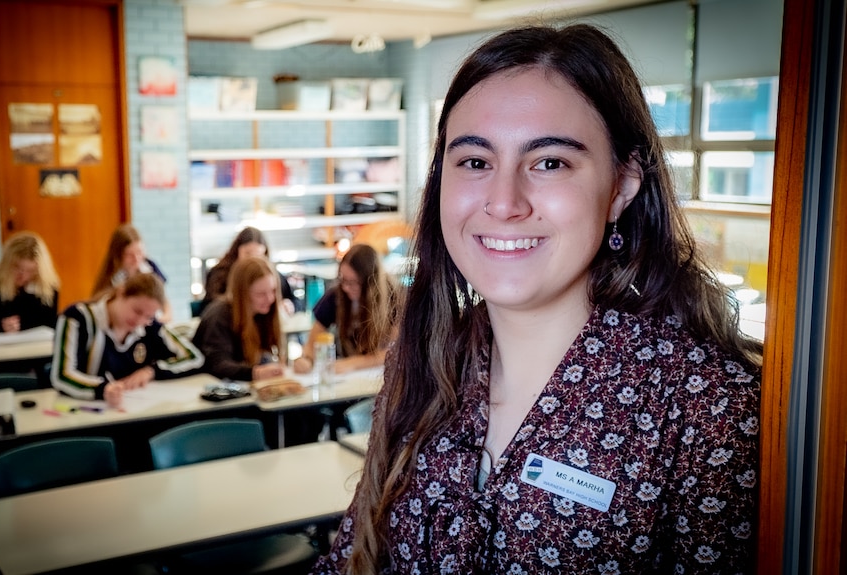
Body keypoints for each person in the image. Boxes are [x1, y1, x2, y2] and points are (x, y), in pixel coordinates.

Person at [311, 24, 762, 575]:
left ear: (622, 186)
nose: (504, 203)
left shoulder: (709, 406)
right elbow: (349, 561)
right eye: (475, 162)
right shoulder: (426, 359)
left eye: (550, 162)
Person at [51, 273, 203, 409]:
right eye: (136, 311)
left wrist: (151, 371)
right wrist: (102, 389)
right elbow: (61, 375)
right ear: (121, 293)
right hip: (88, 414)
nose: (140, 321)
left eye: (149, 316)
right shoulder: (77, 318)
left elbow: (194, 357)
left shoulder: (149, 326)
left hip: (135, 411)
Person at [292, 243, 398, 376]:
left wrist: (354, 363)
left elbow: (395, 351)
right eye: (343, 280)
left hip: (380, 376)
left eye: (353, 282)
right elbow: (313, 342)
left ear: (370, 282)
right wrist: (306, 359)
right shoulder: (336, 296)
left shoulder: (393, 298)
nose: (346, 288)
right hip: (348, 378)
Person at [192, 256, 288, 382]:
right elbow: (217, 365)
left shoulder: (262, 314)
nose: (270, 299)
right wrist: (255, 373)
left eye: (273, 291)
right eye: (260, 294)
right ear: (242, 293)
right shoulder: (219, 316)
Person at [200, 226, 297, 315]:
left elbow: (295, 300)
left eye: (259, 255)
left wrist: (290, 305)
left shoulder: (271, 277)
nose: (253, 259)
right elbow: (209, 306)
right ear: (236, 252)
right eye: (248, 254)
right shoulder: (219, 274)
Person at [0, 231, 60, 341]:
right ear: (6, 264)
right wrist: (0, 327)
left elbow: (48, 326)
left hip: (37, 349)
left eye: (30, 271)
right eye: (17, 268)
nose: (23, 276)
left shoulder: (48, 288)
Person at [92, 223, 171, 322]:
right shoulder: (112, 278)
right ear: (118, 256)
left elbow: (165, 303)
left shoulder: (150, 267)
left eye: (139, 252)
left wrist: (162, 320)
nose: (136, 259)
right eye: (130, 255)